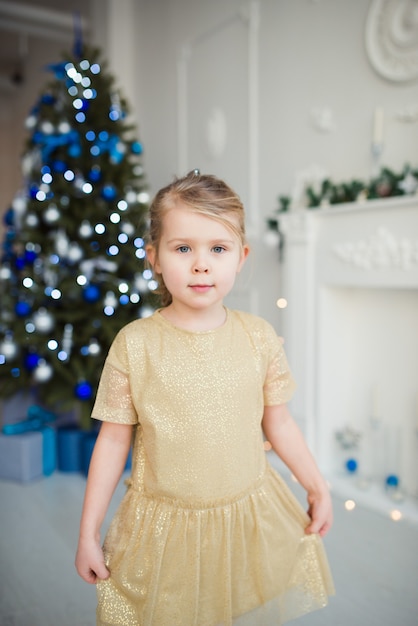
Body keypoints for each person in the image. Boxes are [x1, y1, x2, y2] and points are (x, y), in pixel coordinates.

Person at [75, 170, 334, 626]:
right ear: (154, 257)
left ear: (241, 257)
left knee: (227, 608)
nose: (201, 264)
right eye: (183, 248)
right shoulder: (135, 345)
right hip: (164, 527)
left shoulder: (259, 338)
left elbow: (281, 424)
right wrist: (88, 531)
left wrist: (317, 485)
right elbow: (113, 442)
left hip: (244, 513)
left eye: (218, 248)